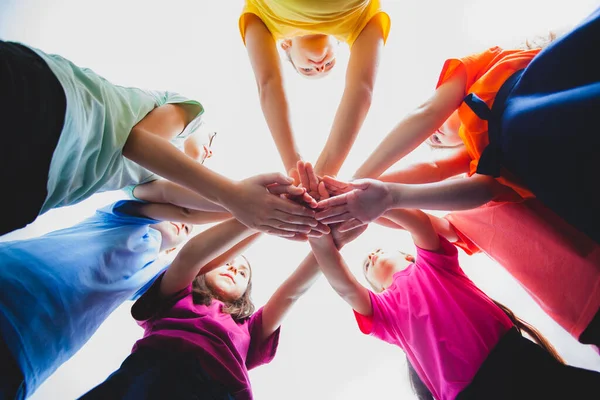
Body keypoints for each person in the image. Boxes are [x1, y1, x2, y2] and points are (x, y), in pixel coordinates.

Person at [0, 40, 323, 239]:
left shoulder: (143, 183)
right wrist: (237, 198)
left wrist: (268, 211)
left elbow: (184, 210)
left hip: (37, 190)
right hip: (57, 105)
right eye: (211, 139)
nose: (209, 151)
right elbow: (138, 144)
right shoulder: (190, 111)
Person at [345, 8, 600, 243]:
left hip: (560, 94)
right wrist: (371, 194)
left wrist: (356, 180)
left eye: (432, 133)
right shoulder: (484, 159)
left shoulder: (488, 64)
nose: (433, 134)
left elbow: (428, 113)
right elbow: (442, 172)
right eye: (437, 141)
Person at [308, 205, 600, 399]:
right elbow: (345, 287)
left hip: (514, 358)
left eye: (378, 249)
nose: (371, 257)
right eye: (366, 267)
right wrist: (319, 237)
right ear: (374, 288)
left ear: (408, 255)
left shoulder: (434, 264)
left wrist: (370, 205)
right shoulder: (384, 314)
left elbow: (419, 222)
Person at [0, 200, 231, 400]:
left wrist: (255, 220)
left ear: (173, 251)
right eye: (182, 215)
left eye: (188, 230)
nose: (185, 225)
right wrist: (239, 207)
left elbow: (201, 259)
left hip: (26, 359)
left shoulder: (151, 277)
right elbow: (181, 211)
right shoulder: (120, 218)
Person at [80, 216, 323, 400]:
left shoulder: (250, 327)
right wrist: (261, 219)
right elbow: (190, 257)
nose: (233, 270)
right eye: (228, 262)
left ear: (245, 292)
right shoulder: (178, 293)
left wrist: (326, 242)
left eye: (242, 273)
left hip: (219, 391)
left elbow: (291, 293)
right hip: (151, 369)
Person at [239, 0, 390, 180]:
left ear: (286, 45)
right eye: (329, 64)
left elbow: (268, 84)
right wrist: (326, 173)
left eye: (306, 70)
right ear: (337, 44)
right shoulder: (360, 22)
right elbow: (361, 88)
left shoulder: (264, 18)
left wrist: (296, 171)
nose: (320, 68)